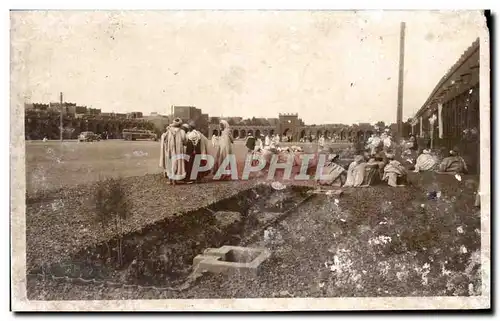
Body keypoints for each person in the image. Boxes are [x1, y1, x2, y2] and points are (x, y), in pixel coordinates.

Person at [159, 118, 186, 185]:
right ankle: (175, 180)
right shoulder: (182, 131)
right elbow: (184, 141)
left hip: (170, 150)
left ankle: (171, 180)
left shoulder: (169, 131)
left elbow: (164, 138)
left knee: (170, 163)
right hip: (179, 150)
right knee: (178, 163)